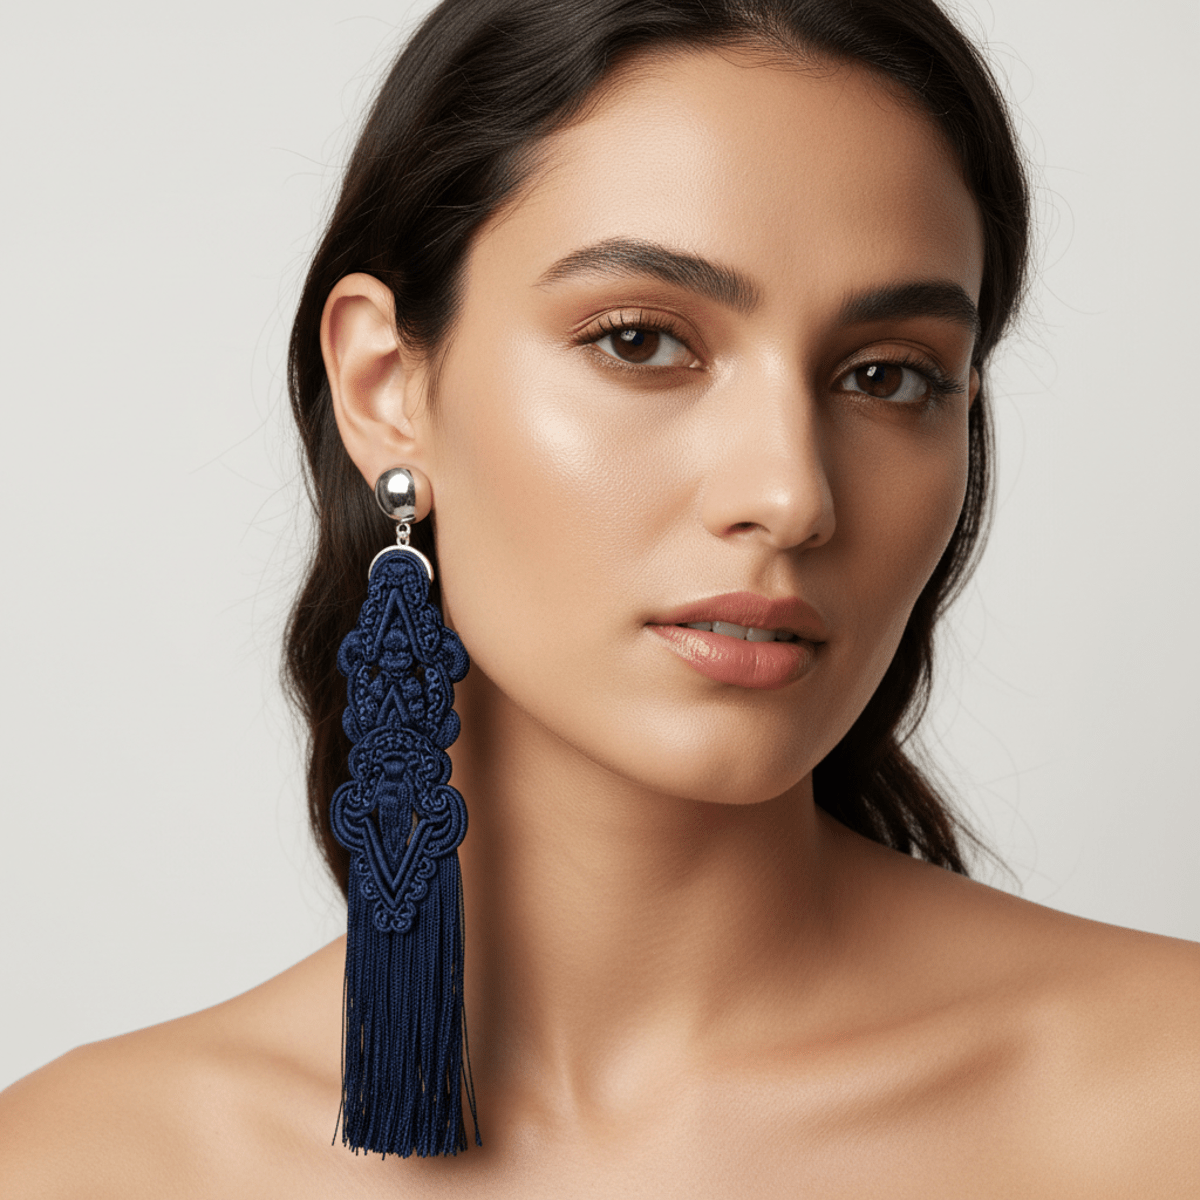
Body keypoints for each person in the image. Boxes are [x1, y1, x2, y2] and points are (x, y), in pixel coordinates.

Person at [2, 0, 1197, 1193]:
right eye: (640, 342)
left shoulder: (1161, 1098)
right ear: (383, 386)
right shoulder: (87, 1162)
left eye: (887, 376)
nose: (790, 494)